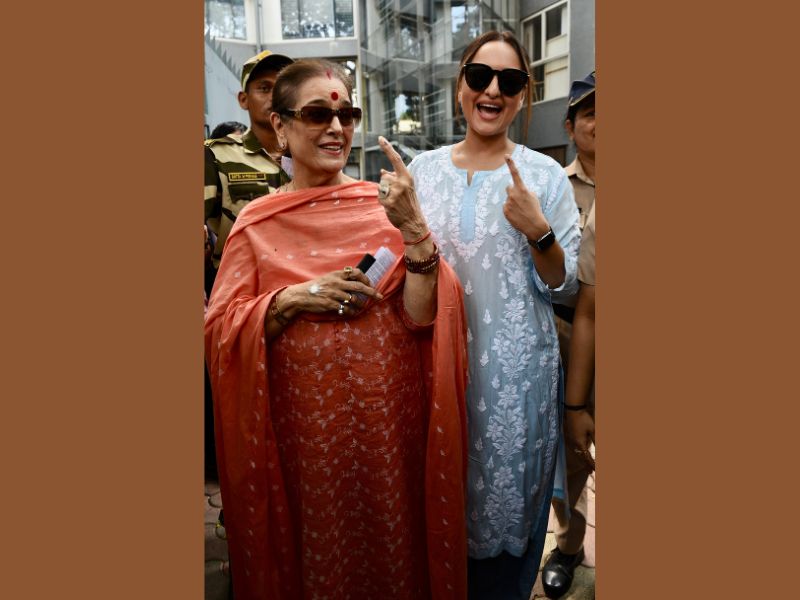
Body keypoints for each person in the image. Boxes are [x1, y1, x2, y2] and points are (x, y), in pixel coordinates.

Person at [205, 58, 470, 600]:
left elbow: (422, 318)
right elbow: (220, 331)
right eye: (317, 114)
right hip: (303, 440)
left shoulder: (383, 209)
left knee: (389, 546)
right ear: (279, 126)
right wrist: (291, 299)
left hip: (387, 430)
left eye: (346, 115)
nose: (336, 128)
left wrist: (415, 230)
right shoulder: (256, 223)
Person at [407, 31, 581, 600]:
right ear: (461, 85)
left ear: (524, 95)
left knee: (505, 532)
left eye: (509, 81)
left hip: (515, 386)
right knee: (436, 512)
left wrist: (539, 231)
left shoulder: (545, 176)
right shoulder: (422, 171)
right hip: (433, 373)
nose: (492, 91)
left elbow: (564, 282)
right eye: (480, 76)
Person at [541, 71, 597, 600]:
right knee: (568, 453)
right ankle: (568, 544)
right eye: (591, 113)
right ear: (571, 124)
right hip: (564, 329)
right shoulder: (554, 185)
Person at [205, 49, 294, 272]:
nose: (275, 97)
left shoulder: (311, 158)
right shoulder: (216, 156)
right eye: (264, 88)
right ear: (243, 99)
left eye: (283, 89)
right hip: (242, 287)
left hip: (312, 286)